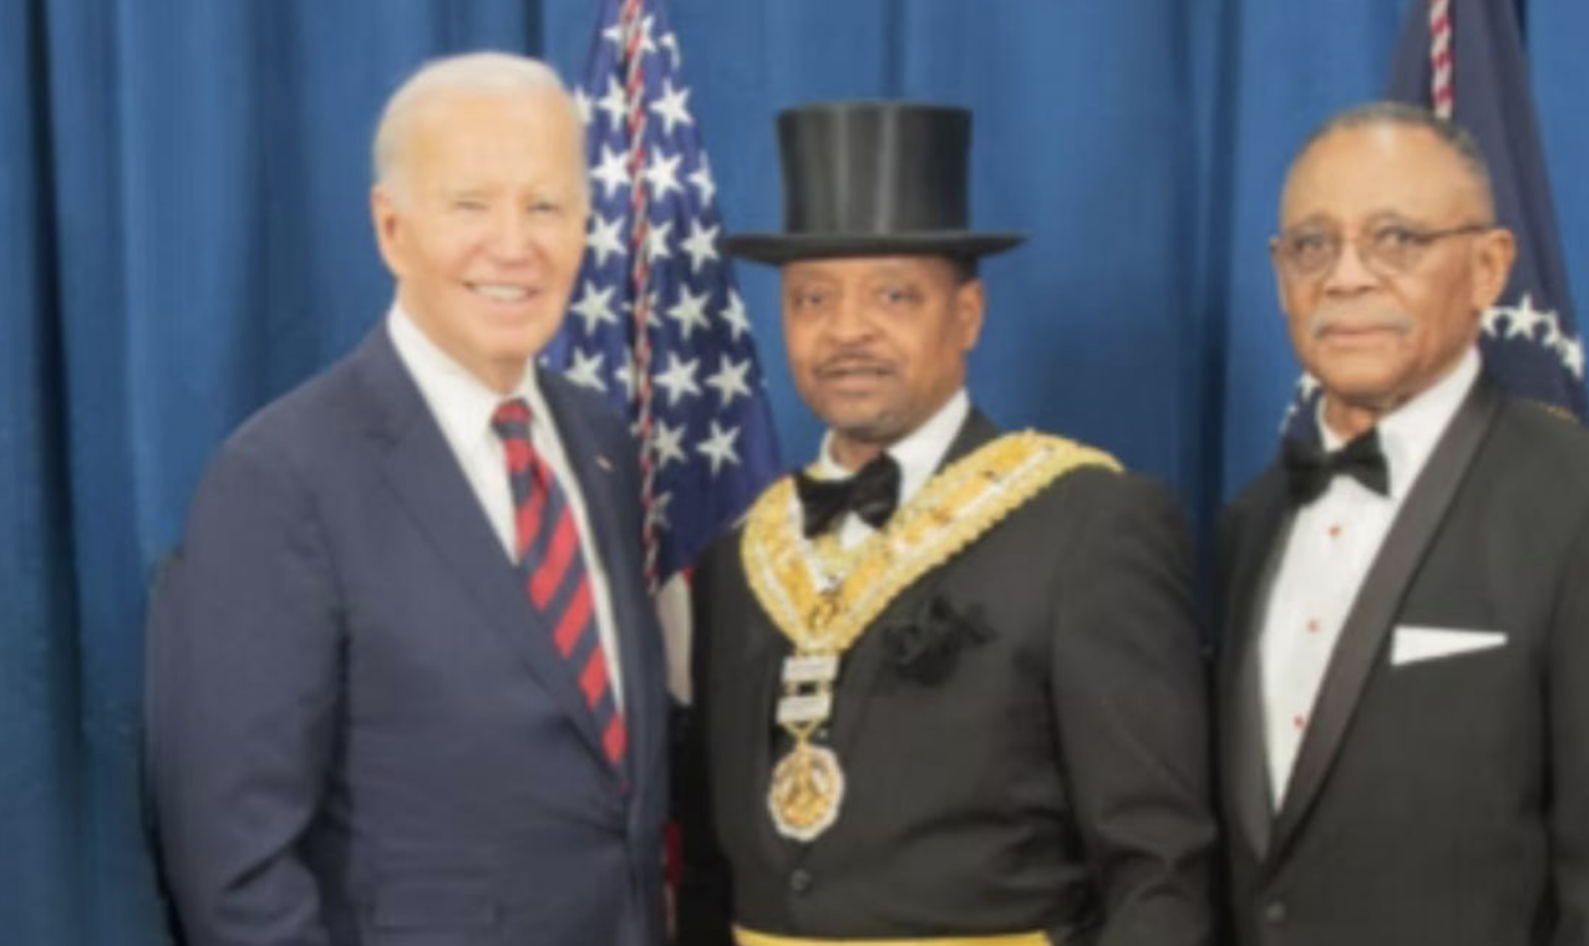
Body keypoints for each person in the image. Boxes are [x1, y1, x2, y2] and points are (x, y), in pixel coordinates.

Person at [146, 52, 669, 945]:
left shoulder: (601, 444)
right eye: (470, 205)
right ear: (393, 230)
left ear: (587, 226)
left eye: (545, 206)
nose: (515, 245)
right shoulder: (279, 479)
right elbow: (235, 870)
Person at [675, 101, 1216, 946]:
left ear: (966, 315)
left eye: (893, 294)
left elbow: (1160, 868)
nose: (847, 329)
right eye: (813, 298)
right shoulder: (738, 556)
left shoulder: (1087, 523)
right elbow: (711, 868)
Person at [1213, 101, 1589, 946]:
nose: (1346, 277)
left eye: (1396, 239)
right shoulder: (1245, 526)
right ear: (1280, 272)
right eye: (1313, 246)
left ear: (1490, 267)